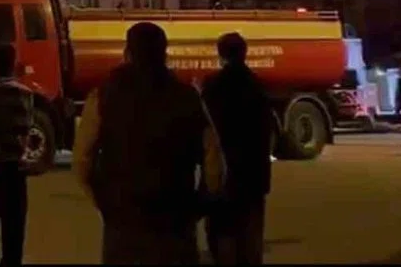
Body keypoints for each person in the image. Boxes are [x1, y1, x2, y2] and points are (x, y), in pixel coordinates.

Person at [73, 22, 225, 265]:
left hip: (123, 225)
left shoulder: (103, 97)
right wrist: (198, 205)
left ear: (127, 54)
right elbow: (214, 163)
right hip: (174, 223)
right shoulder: (187, 97)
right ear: (164, 53)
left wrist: (105, 204)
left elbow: (82, 160)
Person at [201, 33, 277, 265]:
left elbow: (206, 130)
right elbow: (266, 130)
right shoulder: (257, 85)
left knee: (224, 236)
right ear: (244, 53)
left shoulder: (213, 86)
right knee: (250, 238)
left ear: (220, 54)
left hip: (224, 173)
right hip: (254, 174)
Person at [0, 44, 36, 266]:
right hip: (14, 168)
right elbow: (26, 129)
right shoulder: (24, 94)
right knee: (14, 228)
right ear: (13, 64)